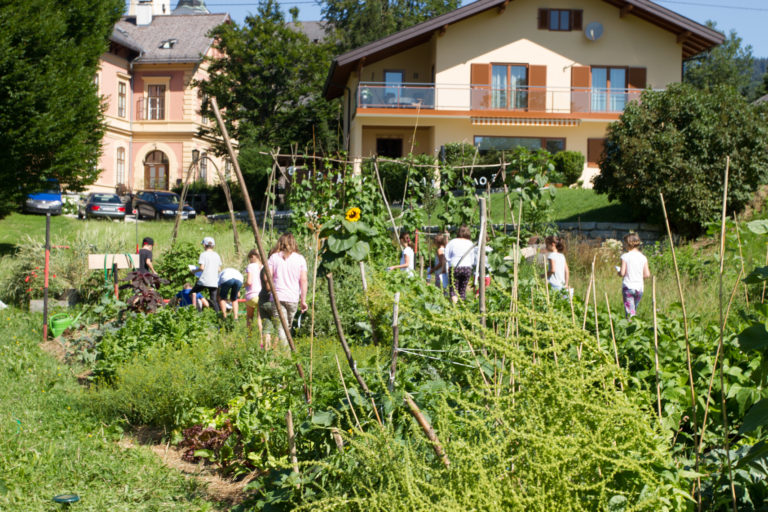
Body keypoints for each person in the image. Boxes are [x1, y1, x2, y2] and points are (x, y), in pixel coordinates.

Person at [268, 233, 308, 345]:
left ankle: (286, 355)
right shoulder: (300, 259)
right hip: (293, 298)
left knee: (282, 329)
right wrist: (303, 300)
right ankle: (288, 355)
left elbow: (268, 277)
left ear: (280, 243)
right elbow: (303, 280)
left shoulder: (274, 257)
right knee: (287, 328)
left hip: (277, 297)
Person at [618, 232, 650, 319]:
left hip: (628, 286)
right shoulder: (643, 257)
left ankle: (630, 328)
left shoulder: (625, 256)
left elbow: (622, 273)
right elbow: (647, 274)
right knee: (634, 309)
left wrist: (618, 272)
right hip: (639, 288)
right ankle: (635, 326)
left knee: (629, 313)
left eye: (624, 243)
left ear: (628, 244)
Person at [445, 225, 475, 302]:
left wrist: (449, 263)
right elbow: (472, 257)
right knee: (462, 290)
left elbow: (447, 255)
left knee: (453, 290)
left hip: (455, 266)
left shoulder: (452, 242)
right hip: (467, 268)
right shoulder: (470, 243)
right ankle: (462, 307)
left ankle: (455, 308)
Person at [191, 237, 222, 312]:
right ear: (213, 246)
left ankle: (197, 311)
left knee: (192, 293)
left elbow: (202, 268)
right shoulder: (217, 255)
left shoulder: (203, 254)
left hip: (204, 280)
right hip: (214, 281)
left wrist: (194, 271)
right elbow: (219, 269)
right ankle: (218, 316)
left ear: (204, 245)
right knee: (214, 300)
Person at [244, 248, 263, 332]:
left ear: (253, 257)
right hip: (262, 295)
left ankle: (249, 336)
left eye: (249, 258)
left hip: (252, 295)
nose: (249, 260)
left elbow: (249, 281)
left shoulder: (251, 266)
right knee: (260, 318)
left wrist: (243, 285)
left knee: (249, 317)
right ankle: (261, 339)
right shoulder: (263, 266)